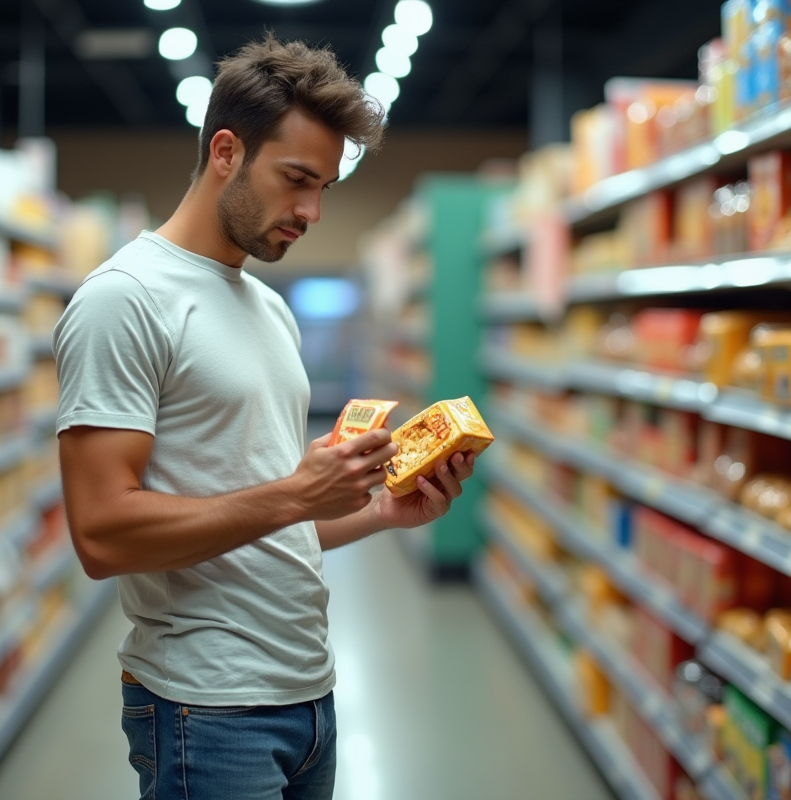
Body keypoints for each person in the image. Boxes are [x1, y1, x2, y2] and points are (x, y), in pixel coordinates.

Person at [53, 34, 477, 800]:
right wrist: (295, 493)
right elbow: (101, 534)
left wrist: (379, 513)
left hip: (307, 694)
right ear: (226, 151)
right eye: (296, 180)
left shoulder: (269, 309)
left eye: (325, 188)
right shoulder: (125, 300)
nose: (311, 211)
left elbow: (268, 524)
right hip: (204, 708)